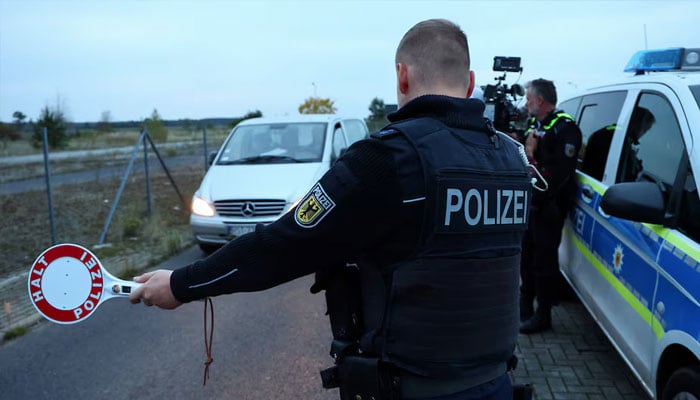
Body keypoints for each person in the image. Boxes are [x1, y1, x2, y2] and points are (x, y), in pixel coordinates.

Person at [130, 19, 532, 400]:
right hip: (495, 383)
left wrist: (182, 285)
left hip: (412, 388)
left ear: (402, 76)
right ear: (471, 83)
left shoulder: (387, 158)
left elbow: (281, 246)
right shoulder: (511, 159)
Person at [519, 79, 582, 334]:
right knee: (526, 257)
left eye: (528, 99)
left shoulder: (566, 128)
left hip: (550, 207)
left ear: (540, 100)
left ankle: (543, 315)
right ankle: (525, 304)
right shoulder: (537, 124)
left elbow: (558, 174)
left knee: (544, 262)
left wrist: (531, 153)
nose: (526, 103)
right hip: (532, 205)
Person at [580, 107, 655, 181]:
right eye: (645, 129)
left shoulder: (610, 134)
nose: (643, 134)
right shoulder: (615, 140)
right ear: (637, 125)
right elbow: (619, 171)